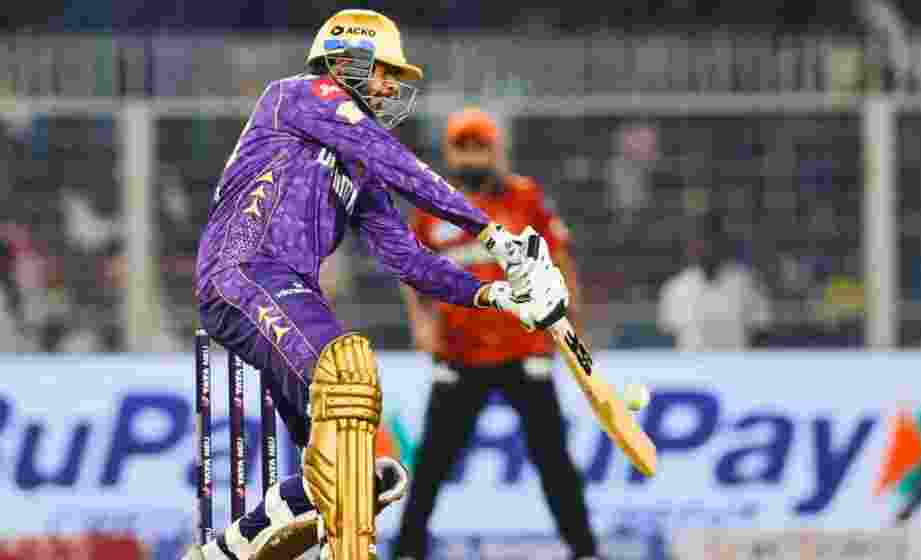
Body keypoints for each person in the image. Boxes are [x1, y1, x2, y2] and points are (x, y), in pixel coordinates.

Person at [187, 10, 569, 560]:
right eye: (386, 70)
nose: (393, 86)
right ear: (349, 60)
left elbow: (409, 259)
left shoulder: (358, 164)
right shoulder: (297, 95)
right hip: (244, 272)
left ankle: (231, 547)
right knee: (346, 372)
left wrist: (497, 296)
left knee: (353, 471)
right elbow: (396, 161)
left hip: (286, 290)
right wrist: (489, 232)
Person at [392, 108, 598, 560]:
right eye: (462, 146)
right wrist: (422, 324)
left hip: (523, 348)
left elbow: (561, 262)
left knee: (553, 461)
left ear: (496, 150)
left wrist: (571, 331)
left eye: (479, 146)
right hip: (459, 354)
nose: (471, 156)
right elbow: (412, 274)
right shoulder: (430, 206)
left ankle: (584, 551)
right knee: (432, 465)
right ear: (449, 152)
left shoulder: (525, 198)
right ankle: (407, 551)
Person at [657, 212, 771, 350]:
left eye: (710, 239)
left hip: (736, 368)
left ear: (722, 241)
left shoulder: (748, 283)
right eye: (698, 240)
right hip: (691, 368)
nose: (704, 246)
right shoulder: (675, 287)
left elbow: (761, 334)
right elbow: (669, 339)